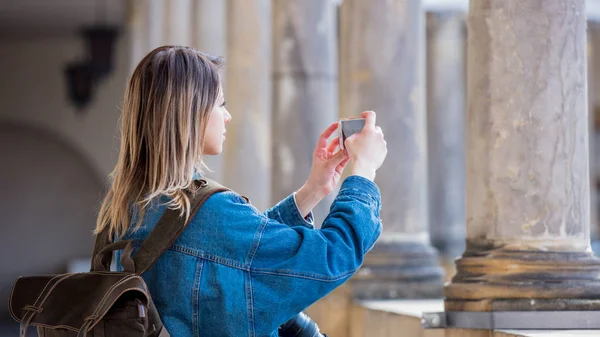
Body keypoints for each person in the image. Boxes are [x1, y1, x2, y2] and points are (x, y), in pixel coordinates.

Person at [95, 45, 388, 337]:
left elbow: (240, 255)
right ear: (191, 112)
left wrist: (313, 189)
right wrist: (364, 171)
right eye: (220, 104)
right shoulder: (206, 212)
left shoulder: (132, 205)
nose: (228, 116)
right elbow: (334, 256)